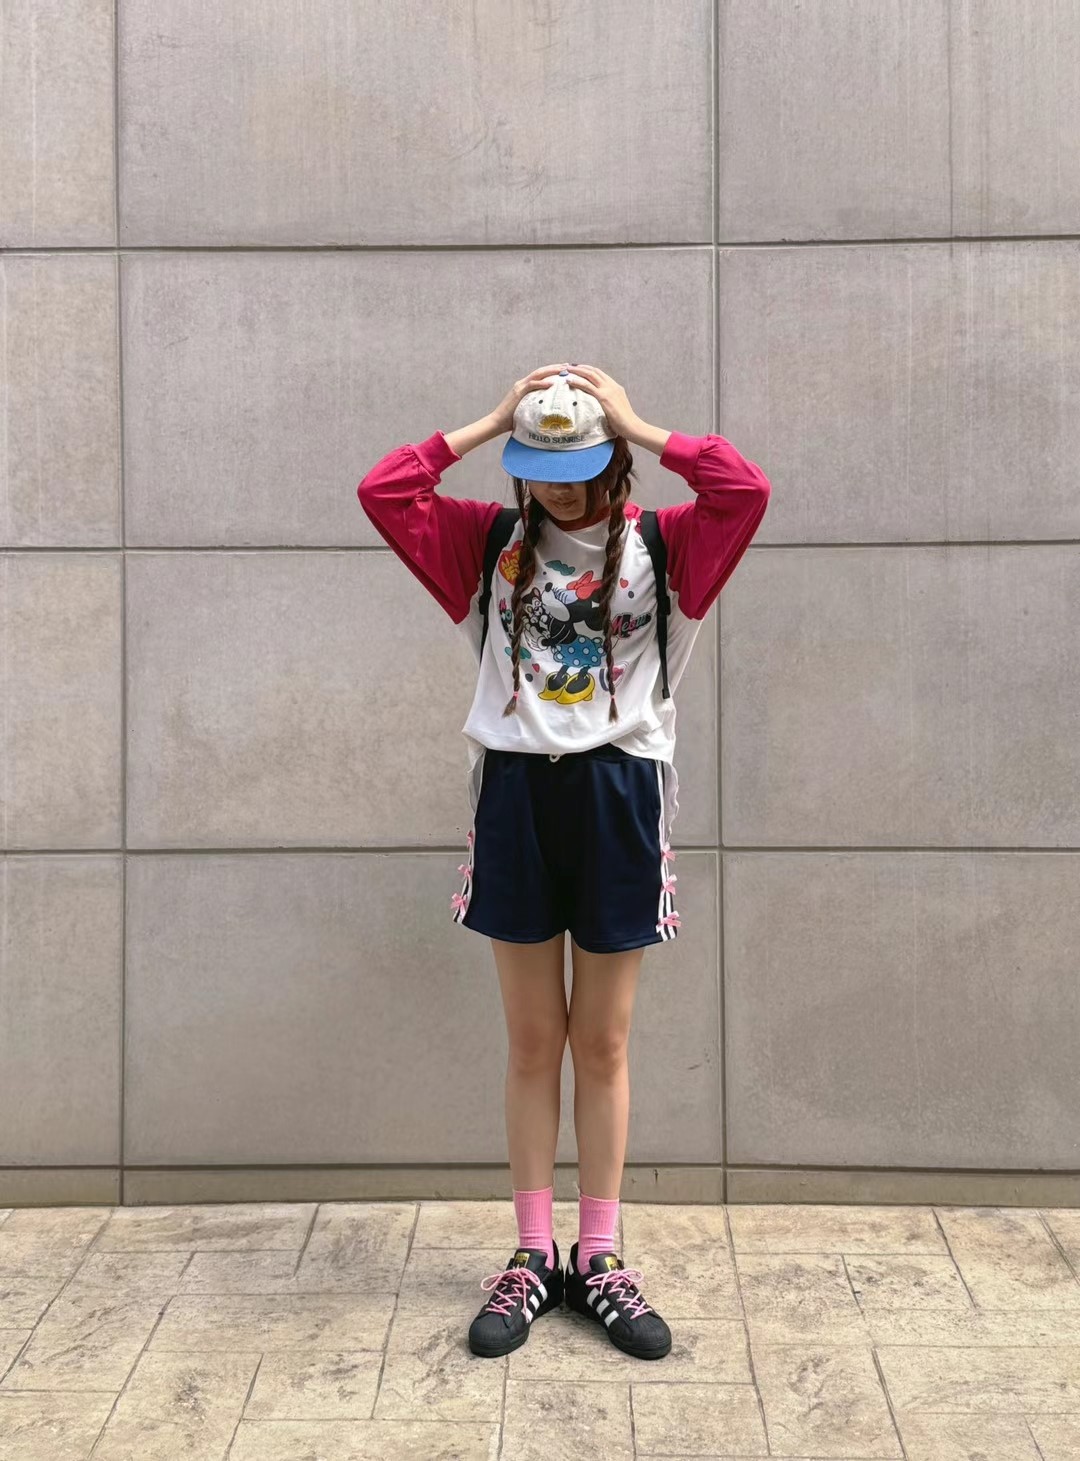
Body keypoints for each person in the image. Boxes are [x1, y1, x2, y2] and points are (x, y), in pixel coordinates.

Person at [357, 362, 770, 1361]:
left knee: (605, 1042)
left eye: (577, 469)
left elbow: (745, 490)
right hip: (516, 794)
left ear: (610, 462)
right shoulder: (486, 545)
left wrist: (638, 421)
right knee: (535, 1038)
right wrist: (492, 418)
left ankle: (601, 1256)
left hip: (619, 794)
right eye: (539, 470)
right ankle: (534, 1254)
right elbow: (385, 491)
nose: (558, 490)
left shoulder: (667, 546)